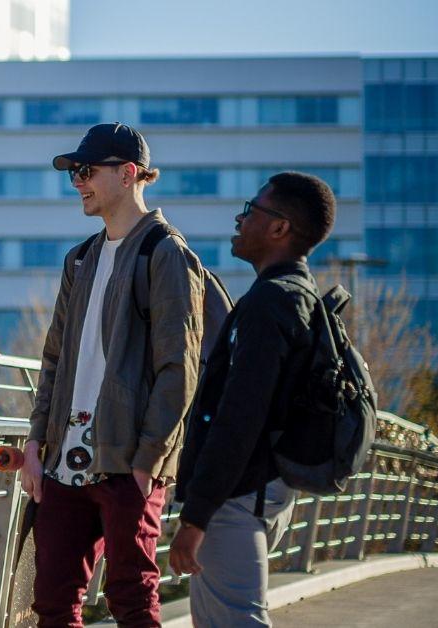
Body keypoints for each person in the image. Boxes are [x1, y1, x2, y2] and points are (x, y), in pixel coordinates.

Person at [21, 122, 207, 627]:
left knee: (132, 600)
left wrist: (148, 462)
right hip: (63, 461)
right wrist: (37, 444)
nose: (77, 181)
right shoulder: (79, 259)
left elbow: (179, 370)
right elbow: (54, 360)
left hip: (128, 464)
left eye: (86, 171)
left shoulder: (166, 254)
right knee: (53, 603)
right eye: (74, 173)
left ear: (128, 174)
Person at [169, 172, 336, 627]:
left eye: (251, 211)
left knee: (235, 620)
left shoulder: (270, 303)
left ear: (280, 228)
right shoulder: (299, 297)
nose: (240, 220)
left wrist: (197, 517)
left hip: (237, 497)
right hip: (262, 491)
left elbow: (240, 417)